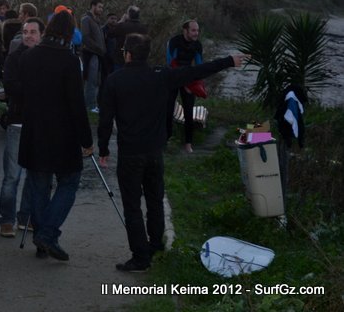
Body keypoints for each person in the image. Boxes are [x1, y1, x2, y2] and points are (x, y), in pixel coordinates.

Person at [98, 33, 247, 272]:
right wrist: (229, 60)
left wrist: (103, 148)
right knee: (155, 200)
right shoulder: (162, 76)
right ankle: (156, 246)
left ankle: (140, 257)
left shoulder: (115, 80)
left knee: (132, 206)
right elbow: (197, 71)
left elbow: (105, 119)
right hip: (155, 152)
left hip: (130, 153)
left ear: (127, 54)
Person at [18, 11, 93, 261]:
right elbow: (77, 104)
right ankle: (48, 234)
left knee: (39, 187)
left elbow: (22, 93)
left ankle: (43, 240)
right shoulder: (69, 61)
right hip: (62, 134)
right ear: (70, 33)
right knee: (69, 182)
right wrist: (86, 140)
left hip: (34, 132)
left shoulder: (28, 57)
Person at [0, 17, 44, 237]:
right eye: (25, 32)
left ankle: (26, 217)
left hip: (40, 124)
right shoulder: (13, 58)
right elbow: (11, 87)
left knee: (34, 176)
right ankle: (7, 219)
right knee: (12, 176)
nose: (28, 36)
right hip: (17, 122)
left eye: (33, 32)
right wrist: (34, 89)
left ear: (42, 35)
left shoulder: (46, 59)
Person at [166, 19, 204, 153]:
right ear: (185, 31)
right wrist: (182, 82)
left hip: (188, 77)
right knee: (168, 109)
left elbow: (199, 66)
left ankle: (188, 143)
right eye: (193, 30)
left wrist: (193, 84)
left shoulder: (197, 45)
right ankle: (166, 139)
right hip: (173, 76)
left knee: (188, 111)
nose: (196, 33)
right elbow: (170, 63)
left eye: (197, 30)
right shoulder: (174, 42)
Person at [80, 0, 106, 113]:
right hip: (90, 54)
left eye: (102, 7)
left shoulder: (97, 21)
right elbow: (85, 38)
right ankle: (90, 106)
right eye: (99, 7)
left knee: (95, 80)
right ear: (93, 6)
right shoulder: (86, 19)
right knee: (91, 80)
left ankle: (92, 104)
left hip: (98, 54)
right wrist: (99, 48)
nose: (101, 9)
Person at [112, 6, 148, 70]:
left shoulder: (122, 26)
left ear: (128, 15)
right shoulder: (144, 28)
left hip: (121, 58)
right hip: (138, 60)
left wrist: (121, 20)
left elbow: (110, 33)